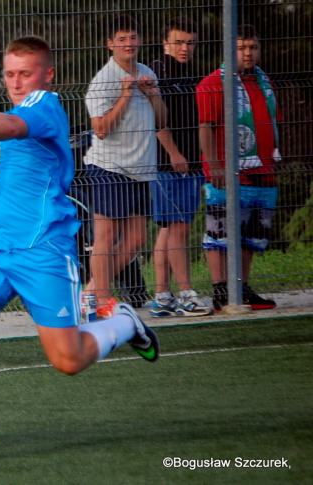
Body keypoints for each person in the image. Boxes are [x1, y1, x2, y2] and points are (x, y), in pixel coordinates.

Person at [0, 36, 159, 450]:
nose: (16, 82)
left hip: (42, 251)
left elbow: (11, 125)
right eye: (10, 74)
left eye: (25, 74)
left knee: (68, 360)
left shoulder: (43, 104)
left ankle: (124, 324)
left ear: (47, 75)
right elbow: (19, 149)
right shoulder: (21, 114)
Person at [82, 15, 176, 318]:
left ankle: (92, 290)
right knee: (106, 237)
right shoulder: (103, 80)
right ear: (110, 44)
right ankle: (103, 298)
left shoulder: (147, 73)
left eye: (133, 37)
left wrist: (152, 94)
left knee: (136, 239)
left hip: (141, 168)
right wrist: (124, 96)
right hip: (109, 167)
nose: (129, 44)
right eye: (121, 39)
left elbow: (162, 121)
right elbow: (100, 129)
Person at [196, 24, 280, 311]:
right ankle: (221, 289)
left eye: (252, 47)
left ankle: (242, 287)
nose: (248, 53)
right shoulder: (212, 83)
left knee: (253, 233)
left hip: (263, 170)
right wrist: (214, 166)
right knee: (219, 233)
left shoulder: (263, 81)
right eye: (241, 47)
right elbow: (205, 127)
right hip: (227, 173)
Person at [149, 18, 212, 317]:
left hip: (190, 163)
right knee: (179, 228)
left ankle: (162, 295)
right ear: (165, 44)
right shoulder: (156, 73)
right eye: (178, 42)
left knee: (169, 229)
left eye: (190, 43)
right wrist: (174, 153)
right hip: (167, 163)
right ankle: (186, 293)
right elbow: (157, 121)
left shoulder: (192, 74)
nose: (184, 48)